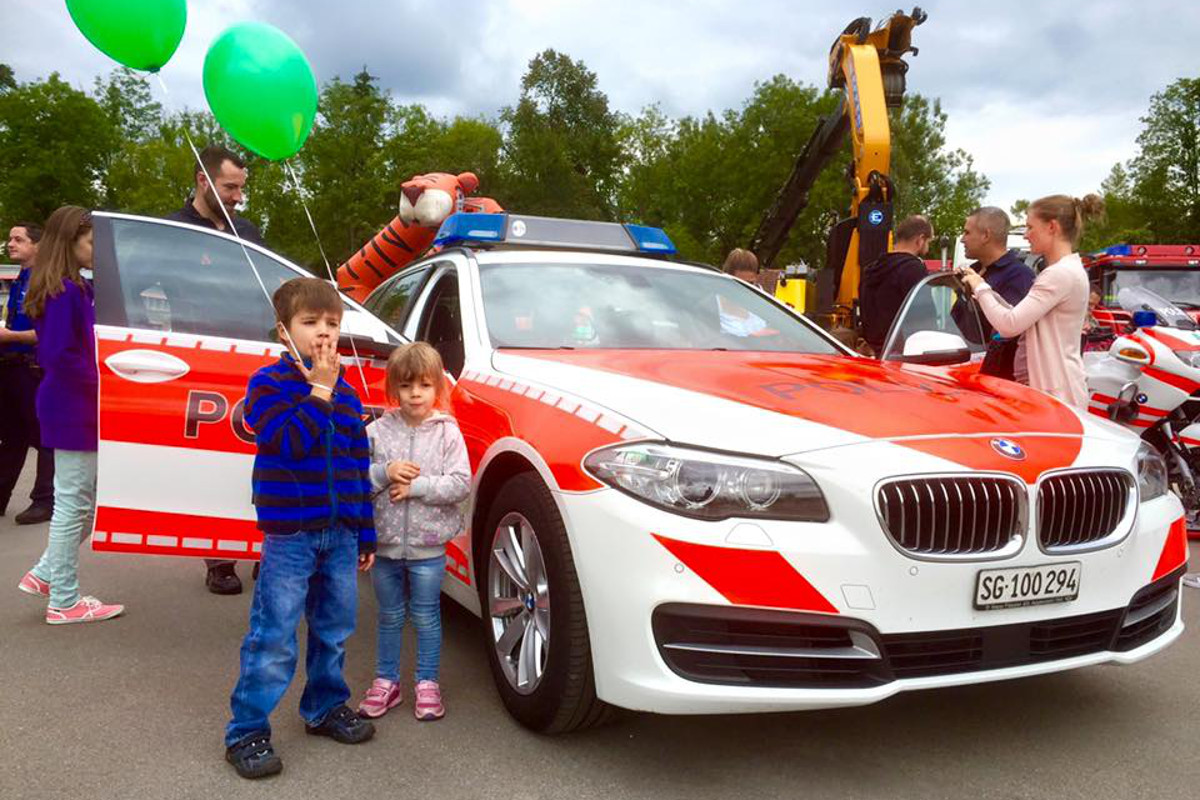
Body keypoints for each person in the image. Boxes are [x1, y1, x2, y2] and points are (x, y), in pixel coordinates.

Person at [224, 277, 376, 780]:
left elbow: (358, 463)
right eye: (310, 323)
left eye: (332, 323)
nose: (324, 333)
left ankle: (324, 707)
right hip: (290, 534)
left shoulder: (350, 394)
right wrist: (319, 391)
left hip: (339, 534)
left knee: (334, 629)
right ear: (283, 333)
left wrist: (365, 531)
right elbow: (286, 443)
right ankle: (246, 730)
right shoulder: (268, 384)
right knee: (274, 633)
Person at [16, 207, 124, 624]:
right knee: (74, 505)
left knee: (84, 504)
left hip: (77, 404)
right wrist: (109, 381)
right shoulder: (65, 291)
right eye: (93, 242)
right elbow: (57, 355)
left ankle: (47, 575)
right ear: (70, 241)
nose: (99, 251)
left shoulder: (75, 288)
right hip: (72, 405)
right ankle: (63, 600)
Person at [358, 342, 470, 722]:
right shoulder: (375, 432)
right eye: (406, 386)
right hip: (385, 546)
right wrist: (384, 473)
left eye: (423, 385)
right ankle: (386, 681)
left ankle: (427, 683)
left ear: (437, 388)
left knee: (425, 616)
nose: (415, 394)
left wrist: (418, 486)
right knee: (388, 616)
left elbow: (460, 483)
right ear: (394, 388)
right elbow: (356, 480)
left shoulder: (448, 434)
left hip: (428, 547)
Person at [167, 145, 262, 594]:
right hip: (199, 362)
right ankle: (218, 557)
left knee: (255, 455)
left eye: (241, 187)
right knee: (210, 458)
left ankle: (264, 548)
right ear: (203, 181)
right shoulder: (171, 231)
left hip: (249, 356)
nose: (239, 196)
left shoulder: (247, 230)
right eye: (230, 187)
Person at [959, 194, 1105, 409]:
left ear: (1052, 227)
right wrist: (986, 291)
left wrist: (980, 286)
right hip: (1057, 390)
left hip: (1056, 394)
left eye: (1030, 227)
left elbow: (1009, 325)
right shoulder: (1067, 270)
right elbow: (1024, 318)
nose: (1026, 235)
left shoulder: (1059, 274)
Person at [1, 222, 55, 524]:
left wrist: (11, 337)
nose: (11, 244)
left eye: (18, 239)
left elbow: (48, 331)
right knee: (11, 436)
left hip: (32, 367)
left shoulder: (45, 280)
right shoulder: (21, 277)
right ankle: (1, 496)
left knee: (43, 436)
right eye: (10, 239)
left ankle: (45, 500)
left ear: (37, 245)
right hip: (10, 365)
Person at [957, 207, 1035, 378]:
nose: (962, 239)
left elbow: (1007, 332)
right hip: (961, 367)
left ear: (986, 235)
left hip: (997, 377)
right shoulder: (972, 271)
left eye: (967, 232)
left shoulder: (1019, 276)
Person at [858, 215, 935, 353]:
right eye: (928, 242)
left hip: (874, 356)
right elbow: (926, 320)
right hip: (904, 356)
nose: (928, 248)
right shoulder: (914, 269)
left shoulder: (871, 270)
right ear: (920, 240)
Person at [718, 248, 770, 336]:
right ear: (727, 279)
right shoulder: (710, 307)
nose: (745, 289)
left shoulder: (764, 304)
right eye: (740, 283)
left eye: (750, 283)